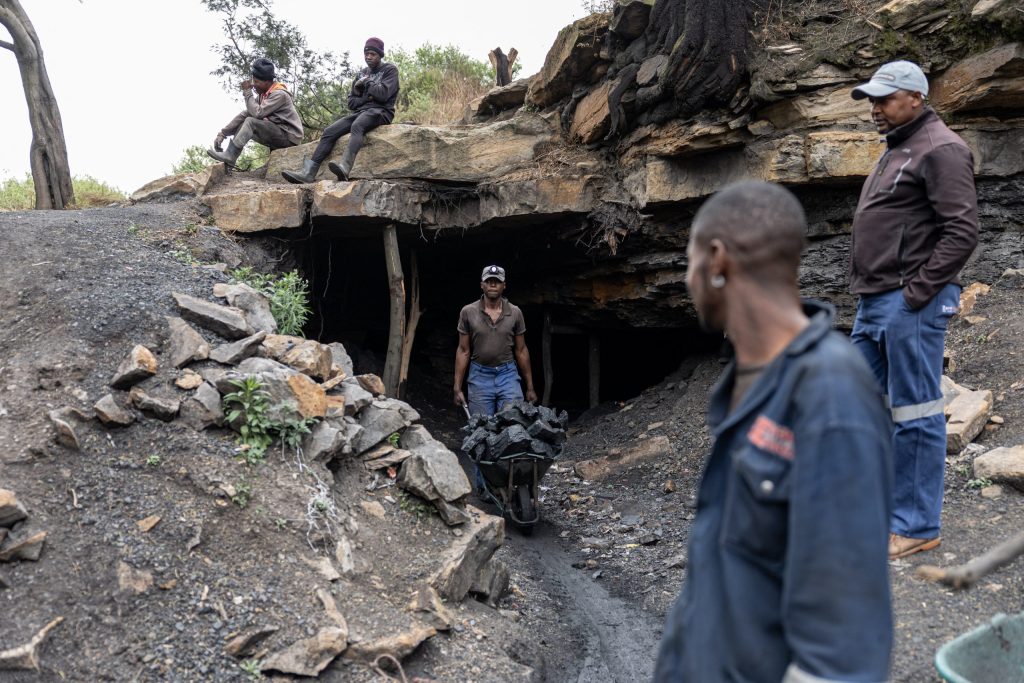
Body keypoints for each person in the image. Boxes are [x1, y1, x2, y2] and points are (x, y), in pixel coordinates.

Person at [654, 181, 893, 683]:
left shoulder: (830, 393)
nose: (686, 280)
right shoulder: (745, 383)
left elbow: (841, 650)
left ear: (717, 261)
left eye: (689, 261)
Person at [848, 60, 979, 560]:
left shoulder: (941, 148)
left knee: (917, 412)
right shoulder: (896, 149)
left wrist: (915, 294)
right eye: (871, 100)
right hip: (875, 301)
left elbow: (962, 232)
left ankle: (918, 525)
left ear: (915, 98)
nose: (874, 109)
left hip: (909, 304)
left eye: (883, 99)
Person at [282, 37, 400, 184]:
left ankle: (345, 167)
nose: (368, 57)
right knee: (329, 131)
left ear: (380, 55)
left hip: (382, 112)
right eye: (366, 53)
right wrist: (367, 99)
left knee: (358, 125)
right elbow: (352, 103)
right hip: (361, 112)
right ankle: (308, 173)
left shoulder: (390, 70)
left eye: (373, 54)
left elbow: (383, 95)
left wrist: (368, 82)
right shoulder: (361, 73)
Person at [454, 265, 538, 417]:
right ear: (482, 285)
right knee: (481, 428)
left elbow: (521, 350)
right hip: (479, 376)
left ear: (504, 285)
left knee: (514, 424)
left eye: (497, 281)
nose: (493, 284)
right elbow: (463, 350)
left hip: (508, 375)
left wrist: (530, 387)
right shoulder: (468, 312)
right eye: (488, 281)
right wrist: (457, 387)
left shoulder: (514, 312)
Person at [208, 58, 303, 167]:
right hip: (278, 133)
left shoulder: (279, 94)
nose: (253, 85)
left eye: (257, 82)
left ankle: (230, 155)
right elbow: (245, 114)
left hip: (289, 138)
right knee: (244, 121)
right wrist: (223, 133)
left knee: (251, 121)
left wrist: (247, 92)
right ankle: (230, 158)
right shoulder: (264, 95)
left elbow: (257, 113)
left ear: (267, 82)